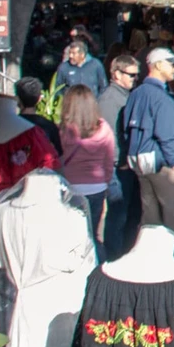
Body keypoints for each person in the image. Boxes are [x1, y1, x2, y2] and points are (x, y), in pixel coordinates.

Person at [119, 46, 174, 264]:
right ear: (158, 65)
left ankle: (151, 265)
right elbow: (167, 135)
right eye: (172, 64)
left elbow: (126, 129)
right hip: (163, 165)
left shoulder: (136, 94)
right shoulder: (160, 97)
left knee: (150, 221)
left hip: (141, 165)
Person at [56, 84, 117, 250]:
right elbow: (109, 160)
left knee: (72, 233)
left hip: (71, 186)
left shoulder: (63, 129)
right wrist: (104, 181)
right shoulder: (104, 129)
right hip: (96, 186)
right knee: (93, 234)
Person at [97, 52, 140, 256]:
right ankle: (114, 258)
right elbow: (108, 136)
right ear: (116, 74)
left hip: (127, 166)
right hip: (118, 168)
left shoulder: (126, 95)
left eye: (136, 75)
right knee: (118, 216)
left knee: (131, 215)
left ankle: (125, 254)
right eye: (130, 75)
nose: (134, 78)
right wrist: (120, 161)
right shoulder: (108, 100)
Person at [14, 76, 62, 156]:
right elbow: (58, 154)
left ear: (17, 99)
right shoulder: (49, 126)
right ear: (39, 99)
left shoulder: (10, 125)